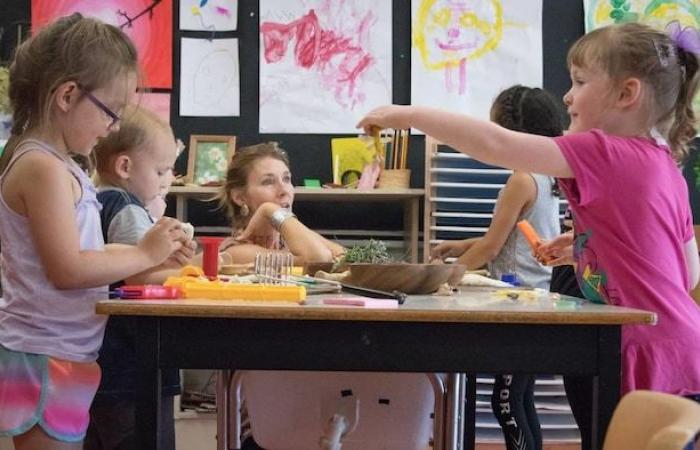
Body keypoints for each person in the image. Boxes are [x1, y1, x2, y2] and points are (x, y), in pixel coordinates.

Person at [359, 18, 700, 410]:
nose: (568, 97)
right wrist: (590, 247)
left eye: (580, 82)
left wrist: (408, 116)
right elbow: (687, 273)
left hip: (642, 354)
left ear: (627, 93)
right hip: (682, 350)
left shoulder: (605, 151)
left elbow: (495, 143)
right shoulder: (664, 166)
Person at [0, 14, 193, 450]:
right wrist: (144, 253)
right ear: (68, 95)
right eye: (112, 113)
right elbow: (68, 269)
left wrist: (154, 255)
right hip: (42, 353)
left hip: (62, 351)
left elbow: (85, 251)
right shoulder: (41, 167)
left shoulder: (62, 166)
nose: (113, 128)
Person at [431, 85, 563, 450]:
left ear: (511, 134)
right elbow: (512, 236)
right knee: (520, 396)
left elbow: (491, 248)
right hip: (538, 297)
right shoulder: (545, 174)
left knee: (505, 401)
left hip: (518, 301)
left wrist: (449, 274)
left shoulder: (520, 179)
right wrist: (463, 246)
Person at [84, 105, 184, 450]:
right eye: (160, 171)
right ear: (125, 166)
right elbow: (140, 274)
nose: (165, 180)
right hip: (132, 365)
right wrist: (189, 271)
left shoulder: (94, 199)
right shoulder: (126, 206)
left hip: (100, 363)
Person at [218, 142, 345, 265]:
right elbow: (318, 259)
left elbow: (353, 260)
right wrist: (269, 209)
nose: (284, 190)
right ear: (240, 197)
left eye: (286, 179)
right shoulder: (236, 251)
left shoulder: (291, 241)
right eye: (268, 182)